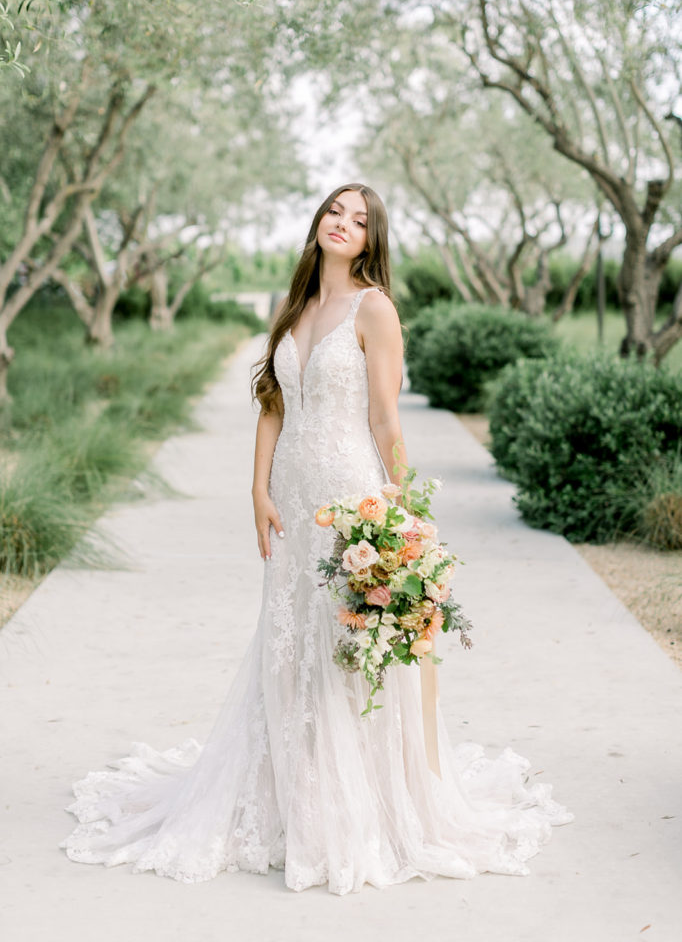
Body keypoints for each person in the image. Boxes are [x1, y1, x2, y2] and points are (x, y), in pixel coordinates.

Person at [60, 182, 572, 894]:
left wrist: (404, 511)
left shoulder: (375, 308)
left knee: (347, 641)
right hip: (293, 502)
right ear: (318, 221)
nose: (343, 224)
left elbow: (386, 420)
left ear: (371, 240)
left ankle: (358, 801)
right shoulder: (292, 307)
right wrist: (258, 487)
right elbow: (273, 401)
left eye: (360, 220)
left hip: (350, 495)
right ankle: (286, 790)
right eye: (336, 211)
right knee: (289, 635)